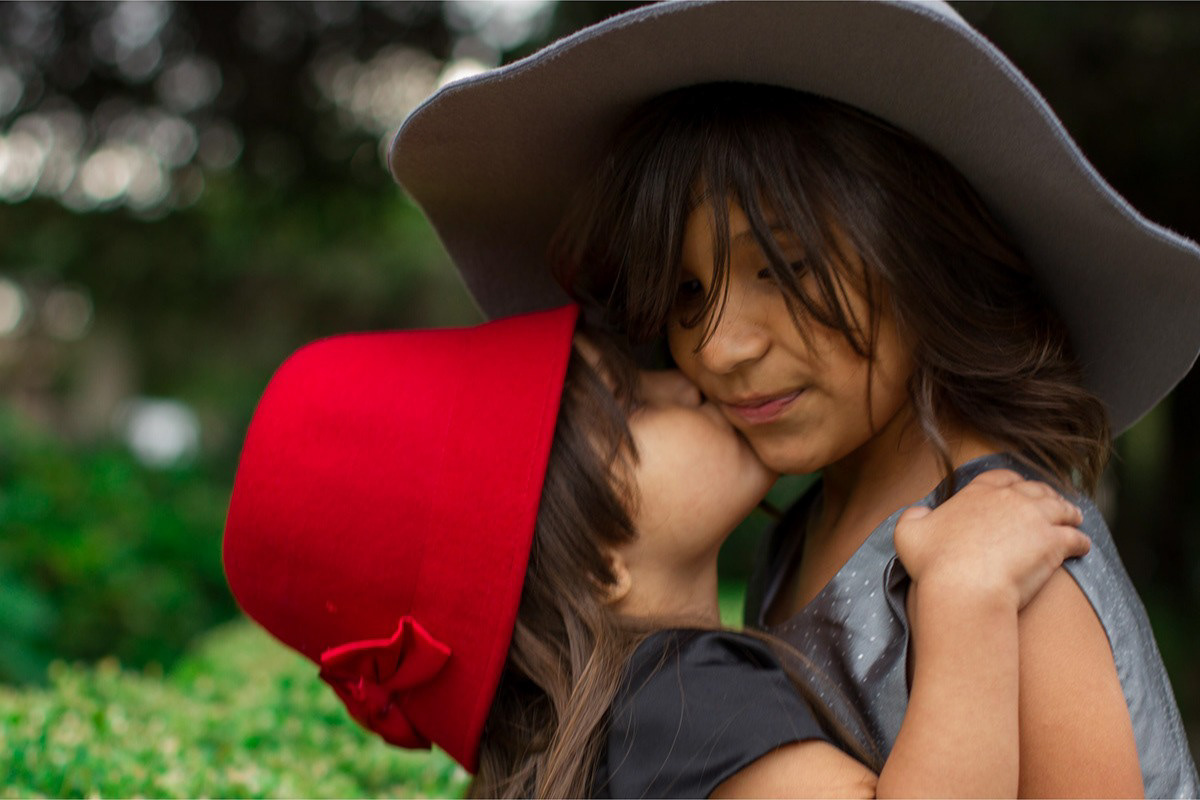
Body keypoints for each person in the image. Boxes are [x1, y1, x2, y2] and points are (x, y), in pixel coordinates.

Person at [388, 2, 1200, 796]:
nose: (719, 348)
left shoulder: (1016, 550)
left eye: (785, 267)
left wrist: (967, 601)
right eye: (687, 290)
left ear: (923, 250)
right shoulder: (794, 539)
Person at [223, 305, 1092, 798]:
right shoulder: (681, 700)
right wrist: (966, 599)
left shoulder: (613, 736)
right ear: (596, 562)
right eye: (633, 403)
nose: (687, 380)